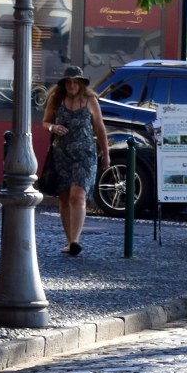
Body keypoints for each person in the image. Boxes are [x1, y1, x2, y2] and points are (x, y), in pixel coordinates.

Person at [43, 65, 110, 256]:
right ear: (64, 84)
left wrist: (105, 154)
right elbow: (45, 122)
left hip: (85, 155)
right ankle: (69, 239)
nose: (72, 85)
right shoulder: (56, 100)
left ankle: (75, 240)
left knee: (78, 195)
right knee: (64, 197)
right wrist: (53, 128)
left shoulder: (90, 100)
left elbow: (99, 128)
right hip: (61, 155)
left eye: (75, 82)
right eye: (68, 82)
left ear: (81, 83)